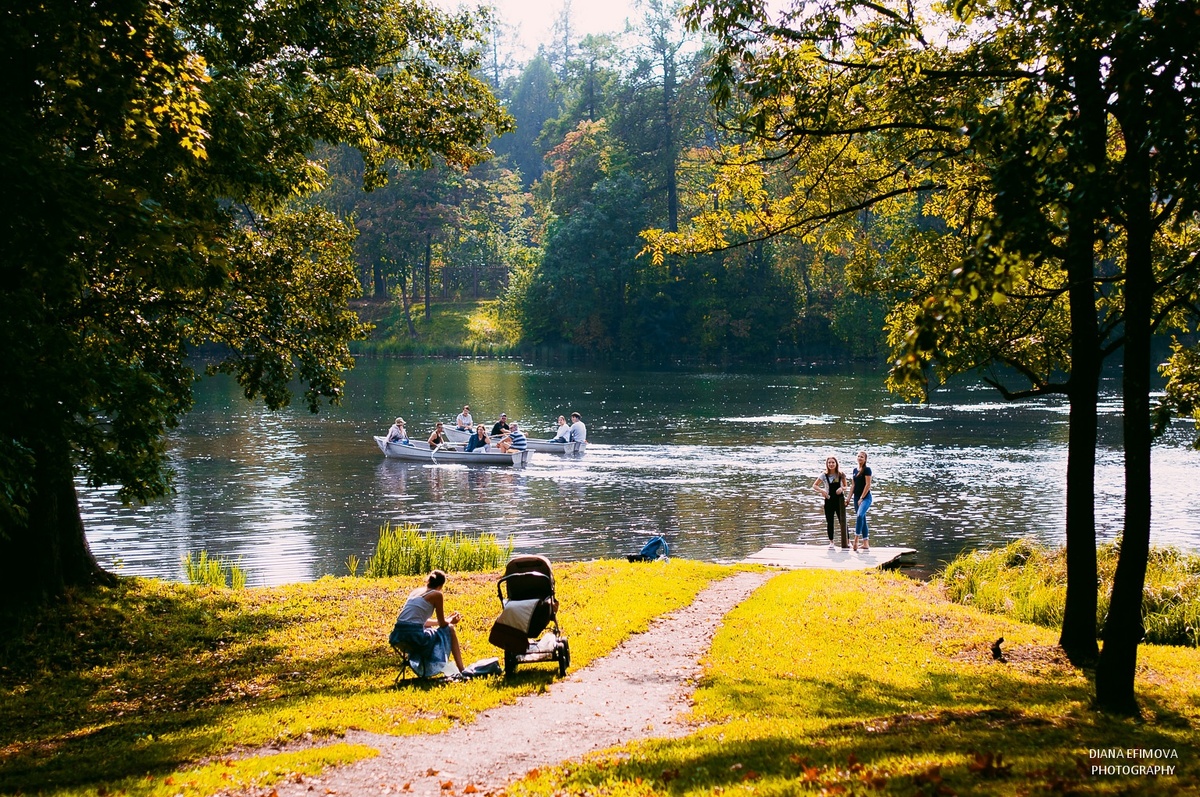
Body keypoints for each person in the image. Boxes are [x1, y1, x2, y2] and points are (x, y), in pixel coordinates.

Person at [388, 569, 465, 676]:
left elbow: (422, 622)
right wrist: (451, 620)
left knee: (430, 630)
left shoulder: (416, 592)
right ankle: (462, 669)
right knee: (450, 628)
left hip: (398, 636)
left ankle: (454, 668)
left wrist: (446, 620)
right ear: (441, 585)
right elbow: (443, 624)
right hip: (414, 637)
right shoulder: (437, 594)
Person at [812, 456, 849, 549]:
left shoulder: (841, 474)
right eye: (829, 463)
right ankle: (831, 542)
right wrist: (822, 491)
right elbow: (815, 485)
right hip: (829, 499)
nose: (831, 464)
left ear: (836, 463)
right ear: (827, 464)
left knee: (842, 521)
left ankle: (848, 541)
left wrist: (842, 488)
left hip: (839, 500)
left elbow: (846, 486)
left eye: (833, 462)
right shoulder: (824, 475)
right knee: (830, 521)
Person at [851, 449, 873, 552]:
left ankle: (856, 539)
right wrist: (848, 498)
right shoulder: (855, 470)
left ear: (865, 459)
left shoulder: (867, 470)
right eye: (858, 456)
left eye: (862, 457)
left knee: (860, 515)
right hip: (856, 498)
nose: (859, 458)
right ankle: (866, 544)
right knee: (862, 519)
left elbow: (868, 485)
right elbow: (853, 486)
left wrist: (861, 498)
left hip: (866, 498)